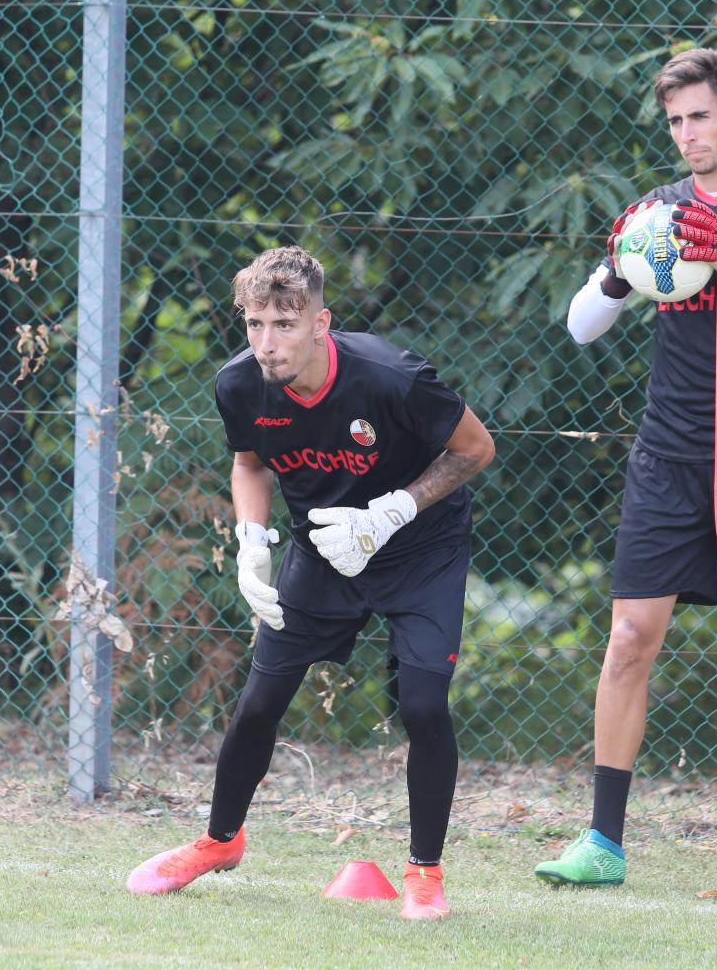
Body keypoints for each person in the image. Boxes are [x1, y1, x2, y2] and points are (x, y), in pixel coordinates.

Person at [126, 246, 496, 921]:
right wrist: (250, 543)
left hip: (421, 550)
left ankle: (425, 873)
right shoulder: (240, 384)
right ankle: (220, 841)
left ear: (320, 323)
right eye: (255, 324)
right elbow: (250, 465)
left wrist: (390, 512)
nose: (267, 343)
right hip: (322, 551)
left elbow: (476, 449)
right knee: (259, 703)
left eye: (284, 325)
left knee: (421, 706)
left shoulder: (392, 377)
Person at [535, 48, 717, 894]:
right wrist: (625, 267)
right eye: (676, 121)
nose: (689, 134)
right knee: (628, 639)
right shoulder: (660, 213)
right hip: (669, 454)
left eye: (701, 117)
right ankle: (603, 842)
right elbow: (581, 325)